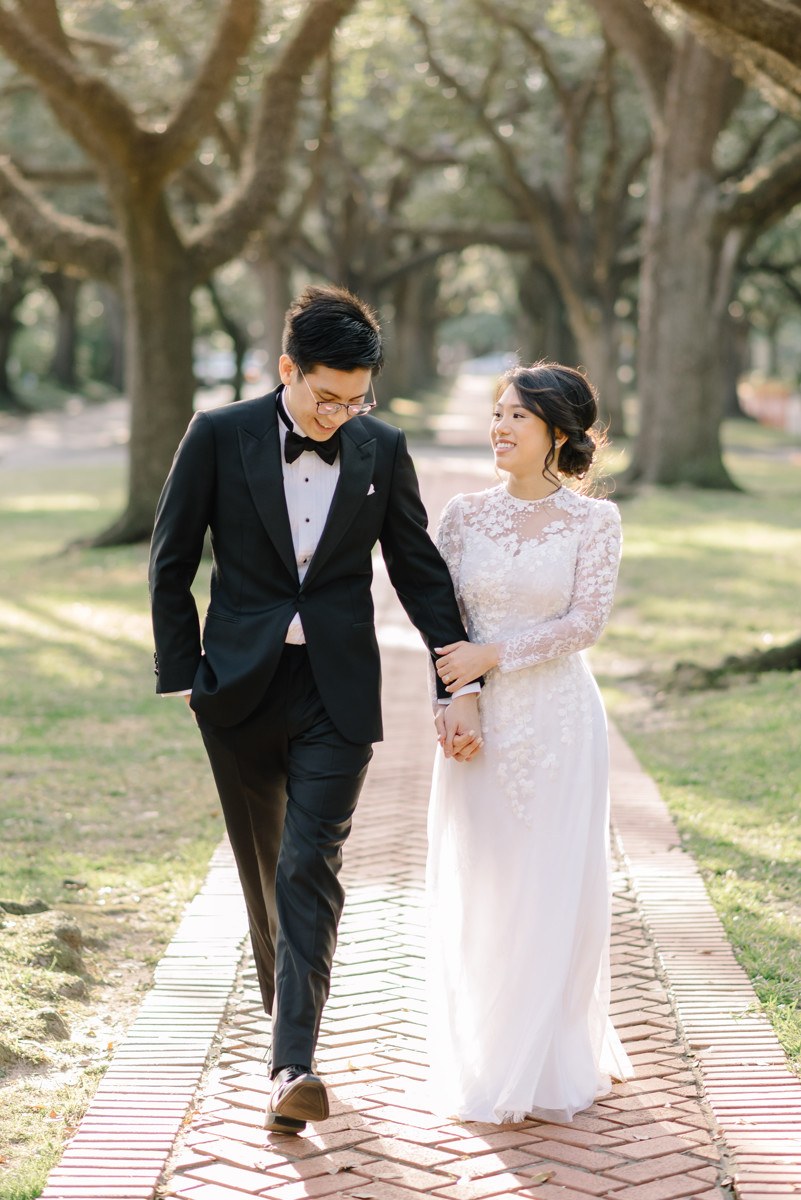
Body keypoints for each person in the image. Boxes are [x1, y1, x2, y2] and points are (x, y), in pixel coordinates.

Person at [149, 285, 482, 1134]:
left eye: (356, 397)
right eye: (325, 396)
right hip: (237, 689)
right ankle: (285, 1022)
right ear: (287, 369)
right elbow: (171, 557)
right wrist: (182, 672)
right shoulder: (217, 435)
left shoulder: (379, 448)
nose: (340, 413)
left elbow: (415, 567)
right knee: (265, 867)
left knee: (309, 864)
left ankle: (292, 1062)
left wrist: (457, 678)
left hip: (337, 690)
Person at [426, 361, 633, 1125]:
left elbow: (584, 623)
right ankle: (483, 1043)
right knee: (484, 876)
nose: (499, 428)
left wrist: (495, 655)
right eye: (496, 414)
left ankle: (545, 1050)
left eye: (517, 416)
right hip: (478, 718)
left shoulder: (594, 522)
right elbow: (439, 618)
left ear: (556, 431)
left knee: (549, 880)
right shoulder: (462, 516)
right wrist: (460, 696)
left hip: (557, 720)